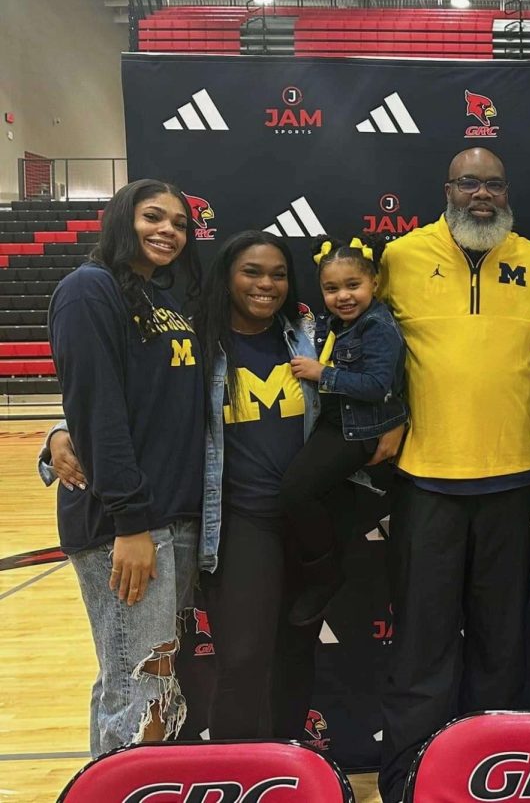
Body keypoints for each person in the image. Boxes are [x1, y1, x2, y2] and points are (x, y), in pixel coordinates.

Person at [45, 230, 404, 742]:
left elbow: (382, 374)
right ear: (227, 278)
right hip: (240, 521)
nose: (266, 284)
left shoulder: (310, 336)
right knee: (243, 656)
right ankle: (238, 775)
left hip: (312, 519)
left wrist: (395, 418)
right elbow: (117, 391)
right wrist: (57, 431)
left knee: (295, 651)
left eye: (278, 274)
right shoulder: (196, 340)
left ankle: (285, 768)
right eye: (252, 272)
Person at [374, 147, 530, 802]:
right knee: (423, 644)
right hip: (426, 481)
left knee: (501, 644)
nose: (481, 194)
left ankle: (496, 771)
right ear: (446, 187)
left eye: (493, 184)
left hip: (514, 483)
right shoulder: (399, 258)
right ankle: (407, 778)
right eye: (468, 182)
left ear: (507, 190)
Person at [46, 178, 204, 756]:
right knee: (137, 692)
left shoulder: (164, 297)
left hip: (171, 516)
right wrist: (130, 522)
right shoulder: (89, 289)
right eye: (152, 217)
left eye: (179, 223)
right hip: (130, 524)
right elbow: (96, 407)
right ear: (121, 220)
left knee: (142, 685)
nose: (168, 230)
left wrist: (56, 434)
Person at [282, 236, 408, 626]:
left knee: (294, 492)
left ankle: (323, 576)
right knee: (323, 500)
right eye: (331, 288)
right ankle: (328, 565)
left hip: (360, 432)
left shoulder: (379, 326)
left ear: (374, 282)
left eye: (353, 285)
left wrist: (324, 373)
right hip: (336, 424)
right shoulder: (334, 325)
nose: (343, 296)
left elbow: (376, 385)